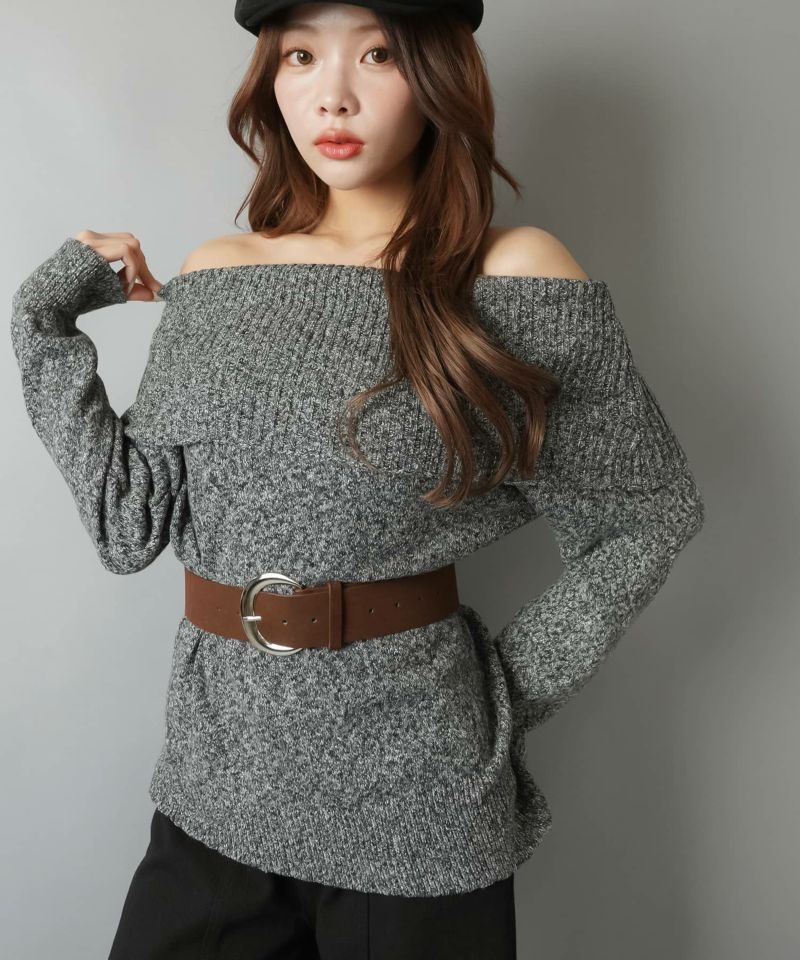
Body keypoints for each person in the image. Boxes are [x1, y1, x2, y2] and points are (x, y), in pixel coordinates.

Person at [9, 1, 706, 958]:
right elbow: (130, 524)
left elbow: (647, 514)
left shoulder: (515, 276)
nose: (332, 95)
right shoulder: (220, 272)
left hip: (420, 802)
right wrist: (42, 325)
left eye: (378, 55)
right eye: (301, 56)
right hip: (216, 789)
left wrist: (499, 691)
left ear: (439, 76)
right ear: (270, 80)